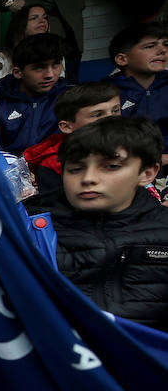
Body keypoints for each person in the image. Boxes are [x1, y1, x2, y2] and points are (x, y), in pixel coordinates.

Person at [23, 116, 168, 330]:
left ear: (147, 173)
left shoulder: (162, 229)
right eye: (75, 169)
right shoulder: (27, 225)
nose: (89, 178)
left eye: (110, 166)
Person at [21, 82, 121, 193]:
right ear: (67, 127)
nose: (111, 119)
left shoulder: (131, 146)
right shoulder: (53, 165)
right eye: (97, 115)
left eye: (115, 111)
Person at [0, 34, 68, 153]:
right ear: (18, 72)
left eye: (56, 65)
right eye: (39, 68)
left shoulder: (70, 100)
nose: (49, 74)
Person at [106, 22, 168, 159]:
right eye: (150, 46)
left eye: (166, 44)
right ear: (122, 59)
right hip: (129, 165)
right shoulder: (105, 92)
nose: (162, 50)